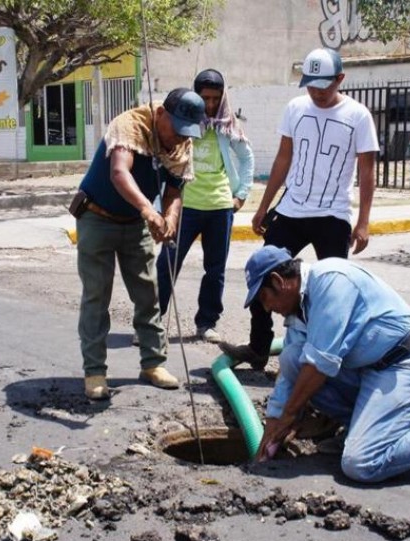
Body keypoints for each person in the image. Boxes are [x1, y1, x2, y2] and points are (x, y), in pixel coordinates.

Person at [244, 246, 410, 483]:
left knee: (361, 463)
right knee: (291, 359)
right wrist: (273, 423)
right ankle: (359, 432)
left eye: (264, 298)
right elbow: (290, 375)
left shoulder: (331, 281)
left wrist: (289, 415)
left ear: (279, 282)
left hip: (407, 365)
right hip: (371, 370)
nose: (266, 308)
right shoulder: (297, 311)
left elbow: (319, 365)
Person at [219, 47, 379, 369]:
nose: (318, 93)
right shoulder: (295, 108)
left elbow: (366, 171)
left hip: (333, 216)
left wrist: (362, 222)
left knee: (331, 292)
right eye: (312, 85)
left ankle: (322, 359)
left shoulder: (358, 116)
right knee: (264, 278)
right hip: (291, 211)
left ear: (340, 79)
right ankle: (259, 348)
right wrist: (264, 206)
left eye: (325, 85)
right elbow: (283, 158)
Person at [76, 88, 205, 400]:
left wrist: (171, 219)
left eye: (186, 132)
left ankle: (153, 364)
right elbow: (120, 173)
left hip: (134, 225)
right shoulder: (129, 125)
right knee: (97, 296)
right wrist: (149, 209)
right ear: (161, 114)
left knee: (148, 295)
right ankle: (95, 372)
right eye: (175, 128)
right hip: (97, 217)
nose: (179, 137)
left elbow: (174, 190)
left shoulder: (181, 142)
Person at [156, 69, 254, 344]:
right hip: (184, 206)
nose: (210, 104)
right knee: (167, 263)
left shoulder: (228, 125)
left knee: (216, 269)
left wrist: (241, 194)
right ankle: (152, 323)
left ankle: (207, 322)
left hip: (220, 206)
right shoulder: (184, 121)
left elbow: (246, 159)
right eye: (205, 98)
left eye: (215, 98)